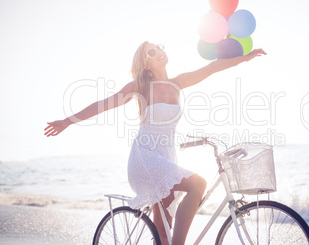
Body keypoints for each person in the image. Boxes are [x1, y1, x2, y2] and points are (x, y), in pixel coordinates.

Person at [44, 41, 266, 244]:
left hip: (167, 158)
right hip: (146, 159)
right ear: (145, 64)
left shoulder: (178, 83)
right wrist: (67, 121)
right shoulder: (140, 87)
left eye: (159, 47)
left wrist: (244, 57)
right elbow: (104, 103)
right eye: (152, 51)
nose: (159, 51)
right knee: (198, 184)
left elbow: (212, 67)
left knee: (163, 234)